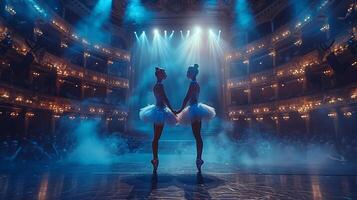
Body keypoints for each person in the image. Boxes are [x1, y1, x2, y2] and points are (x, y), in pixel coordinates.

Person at [175, 64, 216, 172]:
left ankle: (199, 158)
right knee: (197, 135)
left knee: (197, 136)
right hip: (195, 109)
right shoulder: (195, 83)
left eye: (188, 71)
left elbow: (186, 98)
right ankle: (199, 158)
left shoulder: (193, 84)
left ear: (192, 73)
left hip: (194, 109)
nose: (187, 73)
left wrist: (179, 110)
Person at [139, 67, 177, 173]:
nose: (165, 74)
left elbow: (163, 98)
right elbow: (165, 99)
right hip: (160, 110)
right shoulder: (160, 86)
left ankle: (155, 159)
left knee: (156, 137)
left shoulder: (157, 85)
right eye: (164, 73)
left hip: (158, 110)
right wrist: (172, 110)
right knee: (156, 137)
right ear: (160, 75)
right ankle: (155, 159)